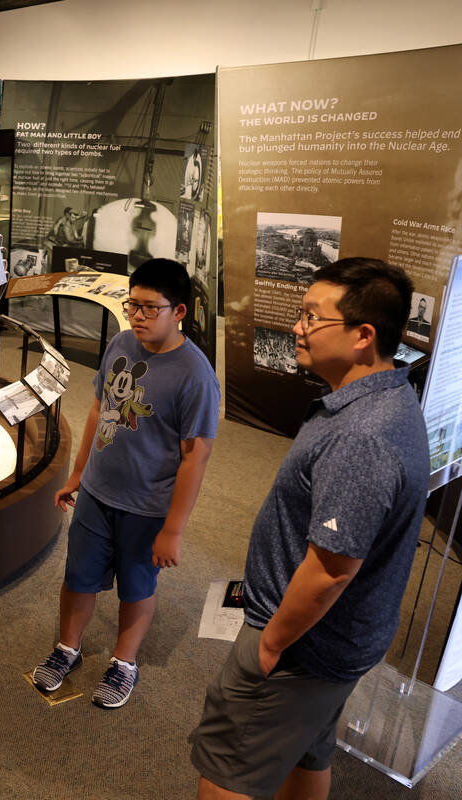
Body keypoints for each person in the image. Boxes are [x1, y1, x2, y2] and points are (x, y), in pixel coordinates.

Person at [189, 258, 430, 800]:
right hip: (335, 643)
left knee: (231, 769)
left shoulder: (362, 437)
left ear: (363, 336)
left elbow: (329, 571)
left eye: (311, 317)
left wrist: (270, 645)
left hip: (303, 646)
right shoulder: (386, 399)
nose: (297, 327)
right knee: (309, 748)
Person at [31, 258, 219, 708]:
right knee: (78, 576)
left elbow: (196, 456)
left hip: (147, 505)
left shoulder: (196, 376)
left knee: (138, 587)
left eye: (151, 308)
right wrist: (78, 474)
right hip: (97, 493)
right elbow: (99, 410)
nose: (138, 315)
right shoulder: (120, 343)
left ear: (180, 312)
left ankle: (124, 662)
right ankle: (67, 650)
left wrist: (172, 530)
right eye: (133, 304)